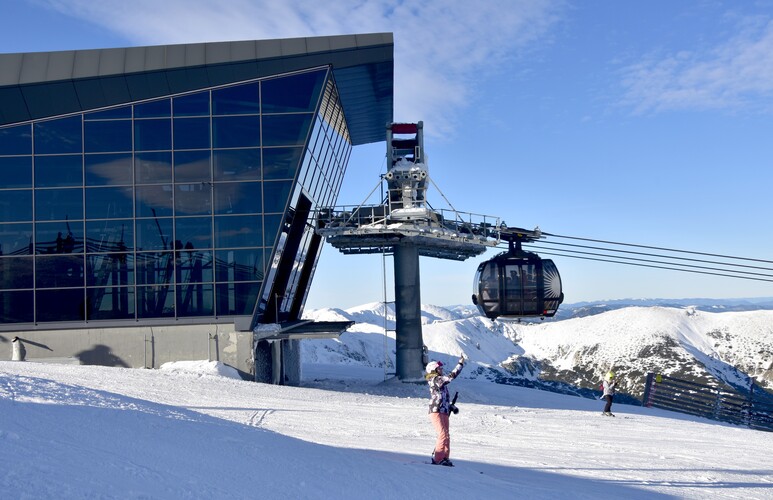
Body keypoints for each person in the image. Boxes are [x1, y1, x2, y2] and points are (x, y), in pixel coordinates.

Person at [425, 356, 465, 466]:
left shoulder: (439, 381)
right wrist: (460, 365)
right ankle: (438, 459)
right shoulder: (435, 379)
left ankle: (445, 457)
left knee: (446, 434)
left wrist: (451, 407)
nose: (441, 370)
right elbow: (450, 377)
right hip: (436, 410)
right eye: (439, 369)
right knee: (442, 434)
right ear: (434, 370)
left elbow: (442, 398)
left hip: (443, 410)